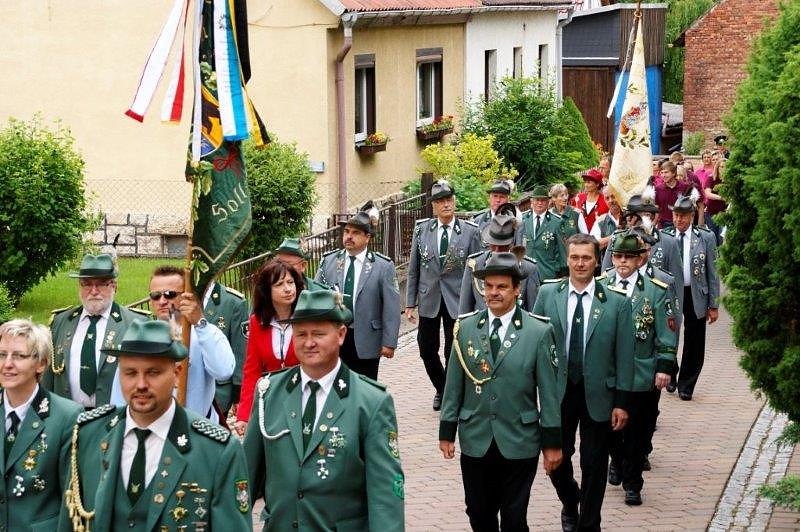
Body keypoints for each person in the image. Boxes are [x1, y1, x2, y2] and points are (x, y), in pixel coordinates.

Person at [60, 320, 251, 531]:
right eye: (130, 373)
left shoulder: (216, 451)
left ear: (177, 374)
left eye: (153, 373)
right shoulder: (89, 435)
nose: (141, 384)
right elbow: (71, 520)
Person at [243, 289, 404, 531]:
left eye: (318, 334)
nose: (309, 343)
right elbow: (245, 478)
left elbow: (386, 492)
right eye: (301, 334)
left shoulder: (370, 401)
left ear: (340, 335)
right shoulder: (269, 391)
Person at [440, 252, 562, 531]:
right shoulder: (466, 327)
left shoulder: (538, 331)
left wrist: (552, 443)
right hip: (476, 436)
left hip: (519, 438)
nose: (493, 293)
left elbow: (550, 394)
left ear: (517, 290)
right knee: (478, 512)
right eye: (488, 286)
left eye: (502, 287)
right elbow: (453, 384)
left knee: (514, 516)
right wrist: (446, 431)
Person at [533, 233, 635, 532]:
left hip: (598, 394)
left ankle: (590, 523)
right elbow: (534, 344)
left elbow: (625, 355)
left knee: (594, 463)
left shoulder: (616, 303)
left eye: (587, 258)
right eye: (575, 257)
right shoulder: (548, 295)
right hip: (558, 393)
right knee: (556, 460)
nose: (580, 263)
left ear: (596, 261)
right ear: (567, 259)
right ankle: (570, 500)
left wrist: (622, 402)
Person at [599, 232, 676, 506]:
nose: (622, 262)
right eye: (617, 256)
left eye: (628, 257)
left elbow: (666, 333)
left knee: (636, 431)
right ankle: (617, 462)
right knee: (608, 428)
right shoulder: (601, 285)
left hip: (641, 370)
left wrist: (664, 367)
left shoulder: (655, 290)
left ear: (640, 259)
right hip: (607, 371)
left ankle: (633, 483)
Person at [111, 266, 235, 422]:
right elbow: (119, 395)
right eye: (155, 296)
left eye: (170, 295)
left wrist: (199, 323)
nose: (162, 301)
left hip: (196, 428)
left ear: (186, 297)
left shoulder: (205, 333)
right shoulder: (139, 338)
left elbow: (223, 371)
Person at [406, 180, 481, 411]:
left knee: (453, 350)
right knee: (426, 348)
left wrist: (477, 302)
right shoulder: (422, 230)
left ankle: (448, 395)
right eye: (440, 201)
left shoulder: (470, 232)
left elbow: (476, 270)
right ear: (434, 206)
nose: (446, 205)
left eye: (449, 200)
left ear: (454, 201)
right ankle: (442, 387)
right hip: (429, 298)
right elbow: (413, 268)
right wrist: (410, 303)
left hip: (457, 299)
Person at [0, 319, 82, 531]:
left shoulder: (67, 416)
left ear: (42, 363)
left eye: (19, 356)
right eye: (2, 354)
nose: (7, 363)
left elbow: (70, 499)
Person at [44, 253, 149, 409]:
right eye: (86, 284)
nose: (94, 291)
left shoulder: (136, 323)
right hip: (66, 419)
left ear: (114, 286)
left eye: (101, 284)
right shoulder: (61, 321)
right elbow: (48, 377)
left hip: (114, 420)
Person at [316, 203, 401, 380]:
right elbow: (317, 297)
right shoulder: (329, 262)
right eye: (347, 232)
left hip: (367, 338)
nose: (349, 237)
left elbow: (392, 307)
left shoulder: (382, 266)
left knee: (365, 390)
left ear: (367, 237)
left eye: (355, 233)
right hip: (335, 336)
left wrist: (389, 342)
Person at [662, 195, 720, 400]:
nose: (679, 220)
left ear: (692, 216)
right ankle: (670, 372)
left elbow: (712, 272)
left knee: (695, 340)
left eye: (684, 216)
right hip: (671, 293)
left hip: (696, 293)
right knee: (669, 334)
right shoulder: (665, 236)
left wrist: (714, 304)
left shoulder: (705, 237)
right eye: (676, 215)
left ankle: (687, 384)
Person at [235, 260, 303, 434]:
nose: (288, 289)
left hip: (303, 396)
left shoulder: (306, 318)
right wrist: (244, 415)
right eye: (279, 284)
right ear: (267, 291)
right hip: (271, 400)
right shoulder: (257, 323)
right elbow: (252, 371)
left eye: (290, 282)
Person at [459, 211, 540, 314]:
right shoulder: (474, 264)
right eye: (493, 245)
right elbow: (464, 310)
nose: (497, 251)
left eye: (502, 246)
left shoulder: (528, 268)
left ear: (511, 244)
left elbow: (533, 314)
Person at [203, 281, 250, 417]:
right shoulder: (177, 296)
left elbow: (240, 350)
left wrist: (238, 394)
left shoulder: (233, 301)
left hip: (218, 392)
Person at [521, 185, 567, 281]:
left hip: (547, 273)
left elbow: (562, 251)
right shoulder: (522, 219)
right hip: (524, 274)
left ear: (548, 202)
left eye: (543, 200)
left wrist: (563, 273)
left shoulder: (556, 222)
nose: (540, 203)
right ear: (531, 201)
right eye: (537, 200)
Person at [472, 179, 521, 244]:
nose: (498, 200)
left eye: (502, 197)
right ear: (489, 198)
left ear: (508, 200)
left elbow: (517, 247)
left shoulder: (515, 222)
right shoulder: (478, 221)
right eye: (495, 196)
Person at [654, 162, 688, 228]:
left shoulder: (684, 187)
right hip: (663, 225)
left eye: (666, 172)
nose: (663, 175)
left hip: (681, 224)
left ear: (674, 173)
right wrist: (654, 223)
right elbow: (656, 208)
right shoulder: (658, 188)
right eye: (662, 173)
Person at [703, 158, 727, 245]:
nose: (722, 169)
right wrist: (721, 197)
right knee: (712, 237)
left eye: (725, 167)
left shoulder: (730, 180)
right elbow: (707, 194)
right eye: (720, 167)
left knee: (722, 237)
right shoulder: (711, 179)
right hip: (711, 212)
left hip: (724, 213)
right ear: (717, 168)